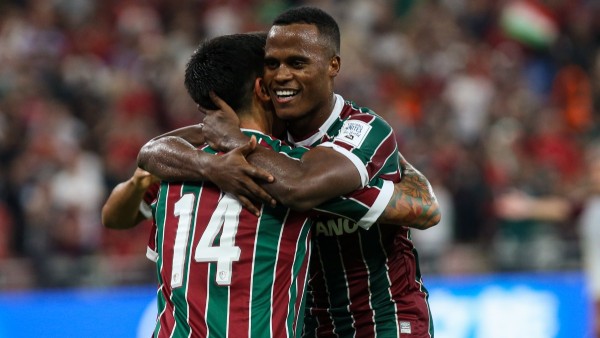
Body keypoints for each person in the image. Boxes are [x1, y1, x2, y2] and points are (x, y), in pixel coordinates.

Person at [139, 7, 437, 337]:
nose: (281, 75)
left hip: (380, 319)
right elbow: (153, 151)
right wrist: (211, 164)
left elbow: (301, 185)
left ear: (332, 66)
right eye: (273, 64)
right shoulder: (271, 131)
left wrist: (234, 142)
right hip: (305, 322)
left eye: (296, 63)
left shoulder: (361, 130)